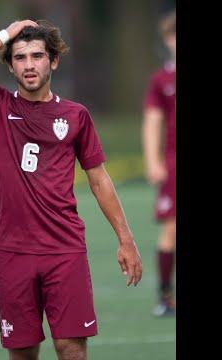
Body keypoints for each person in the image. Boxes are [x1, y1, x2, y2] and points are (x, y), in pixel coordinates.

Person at [0, 19, 142, 360]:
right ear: (10, 65)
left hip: (65, 249)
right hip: (14, 253)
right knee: (23, 352)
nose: (29, 65)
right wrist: (6, 34)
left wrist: (125, 238)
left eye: (37, 56)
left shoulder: (76, 115)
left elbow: (99, 180)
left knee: (71, 349)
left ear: (53, 61)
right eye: (20, 57)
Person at [142, 10, 176, 317]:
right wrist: (153, 160)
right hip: (174, 164)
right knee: (171, 228)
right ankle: (166, 297)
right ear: (167, 41)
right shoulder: (162, 80)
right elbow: (153, 122)